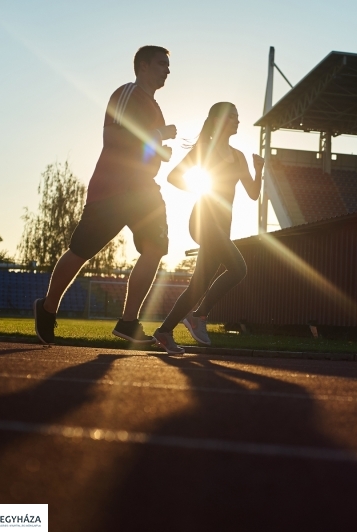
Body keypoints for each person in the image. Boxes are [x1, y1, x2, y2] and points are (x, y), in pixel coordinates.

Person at [33, 45, 177, 345]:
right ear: (143, 67)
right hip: (113, 188)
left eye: (168, 65)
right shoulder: (127, 93)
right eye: (162, 64)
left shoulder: (155, 107)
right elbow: (112, 137)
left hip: (143, 190)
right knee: (82, 251)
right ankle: (47, 308)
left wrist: (162, 150)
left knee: (155, 249)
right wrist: (160, 136)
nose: (167, 70)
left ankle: (128, 322)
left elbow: (146, 147)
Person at [152, 102, 262, 354]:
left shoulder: (239, 156)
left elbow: (254, 194)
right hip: (203, 221)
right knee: (239, 268)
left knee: (197, 287)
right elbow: (174, 177)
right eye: (232, 116)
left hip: (222, 228)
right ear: (220, 120)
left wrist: (259, 170)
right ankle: (199, 315)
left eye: (238, 116)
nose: (237, 120)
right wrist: (203, 189)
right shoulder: (205, 151)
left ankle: (164, 331)